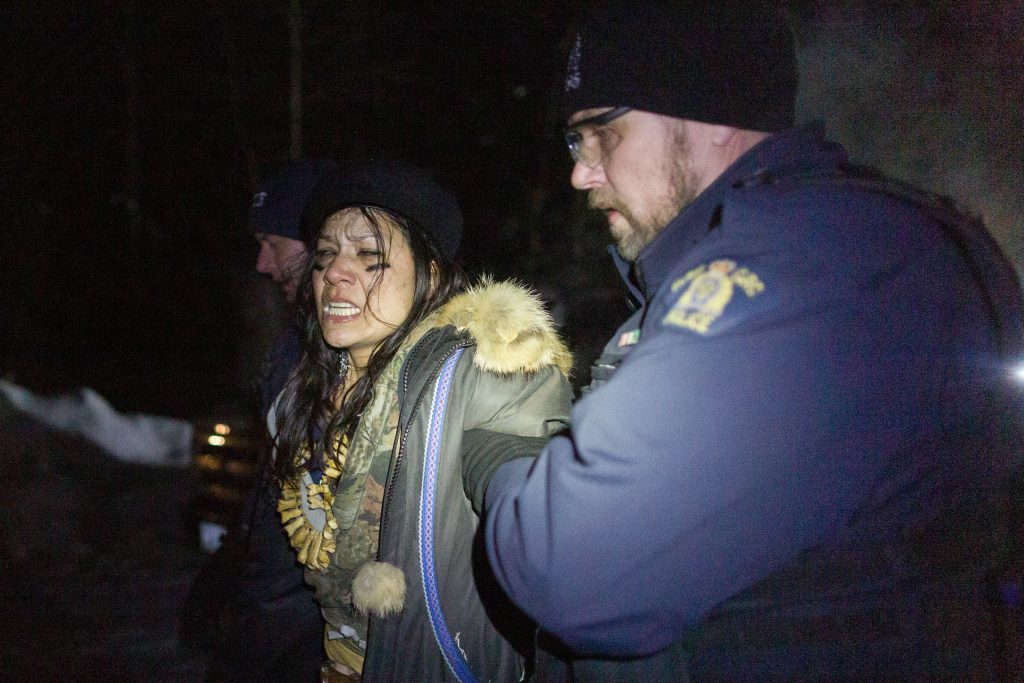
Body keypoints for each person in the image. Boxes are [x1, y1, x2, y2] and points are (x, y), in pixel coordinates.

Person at [464, 2, 1024, 680]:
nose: (581, 173)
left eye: (602, 133)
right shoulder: (810, 247)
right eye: (574, 143)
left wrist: (504, 459)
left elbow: (568, 563)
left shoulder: (810, 264)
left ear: (712, 109)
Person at [270, 159, 573, 682]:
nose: (334, 273)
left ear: (429, 276)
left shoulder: (480, 375)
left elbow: (523, 466)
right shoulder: (305, 392)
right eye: (324, 255)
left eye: (369, 256)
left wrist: (531, 508)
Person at [186, 158, 336, 683]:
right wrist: (230, 562)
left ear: (317, 240)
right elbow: (274, 484)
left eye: (274, 243)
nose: (262, 263)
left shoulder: (337, 355)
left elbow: (309, 532)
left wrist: (247, 644)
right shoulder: (295, 344)